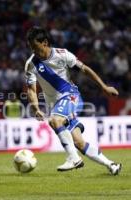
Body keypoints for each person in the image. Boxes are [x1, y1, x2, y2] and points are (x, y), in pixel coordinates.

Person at [24, 27, 122, 175]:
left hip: (70, 96)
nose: (33, 51)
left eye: (35, 47)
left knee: (55, 121)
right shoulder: (31, 64)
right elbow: (31, 89)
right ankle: (111, 165)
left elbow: (85, 69)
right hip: (57, 105)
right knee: (79, 143)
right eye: (31, 48)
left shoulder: (62, 55)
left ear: (44, 43)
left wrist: (104, 86)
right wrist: (36, 108)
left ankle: (73, 158)